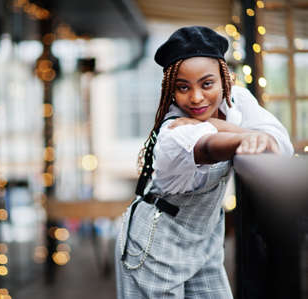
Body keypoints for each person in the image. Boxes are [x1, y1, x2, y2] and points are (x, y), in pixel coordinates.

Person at [115, 26, 293, 298]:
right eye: (183, 87)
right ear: (170, 91)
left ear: (225, 79)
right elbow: (210, 147)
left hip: (205, 242)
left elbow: (282, 145)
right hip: (154, 245)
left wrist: (214, 122)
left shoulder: (238, 101)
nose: (196, 98)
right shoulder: (174, 132)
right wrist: (249, 135)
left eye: (206, 84)